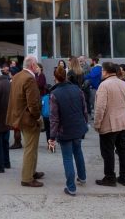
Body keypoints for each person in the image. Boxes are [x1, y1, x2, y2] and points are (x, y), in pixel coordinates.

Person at [49, 66, 88, 196]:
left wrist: (52, 137)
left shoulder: (55, 94)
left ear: (55, 78)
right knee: (78, 152)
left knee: (67, 158)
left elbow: (54, 118)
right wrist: (84, 124)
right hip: (78, 127)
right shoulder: (77, 89)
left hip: (65, 130)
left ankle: (71, 187)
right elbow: (84, 109)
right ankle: (82, 177)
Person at [6, 55, 44, 187]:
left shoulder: (17, 76)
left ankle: (32, 172)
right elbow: (32, 103)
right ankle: (27, 178)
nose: (37, 67)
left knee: (31, 147)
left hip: (19, 116)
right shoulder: (29, 79)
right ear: (32, 65)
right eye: (36, 64)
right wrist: (38, 117)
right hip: (28, 118)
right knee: (30, 148)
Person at [94, 62, 125, 187]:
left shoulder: (104, 85)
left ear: (105, 72)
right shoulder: (124, 83)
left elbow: (100, 107)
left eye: (102, 71)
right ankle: (124, 176)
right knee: (122, 149)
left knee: (108, 151)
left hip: (109, 123)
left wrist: (97, 123)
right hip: (124, 121)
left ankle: (110, 177)